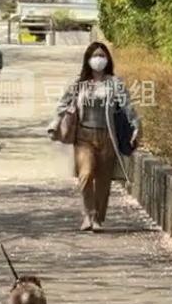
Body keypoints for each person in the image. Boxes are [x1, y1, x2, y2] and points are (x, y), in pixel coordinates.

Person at [48, 42, 141, 232]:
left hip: (107, 137)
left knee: (103, 181)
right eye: (95, 55)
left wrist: (136, 125)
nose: (99, 59)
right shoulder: (79, 84)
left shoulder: (115, 83)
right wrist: (55, 124)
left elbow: (127, 107)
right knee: (86, 174)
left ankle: (97, 218)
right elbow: (62, 105)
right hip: (84, 137)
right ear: (88, 59)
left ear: (107, 60)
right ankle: (88, 215)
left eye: (103, 56)